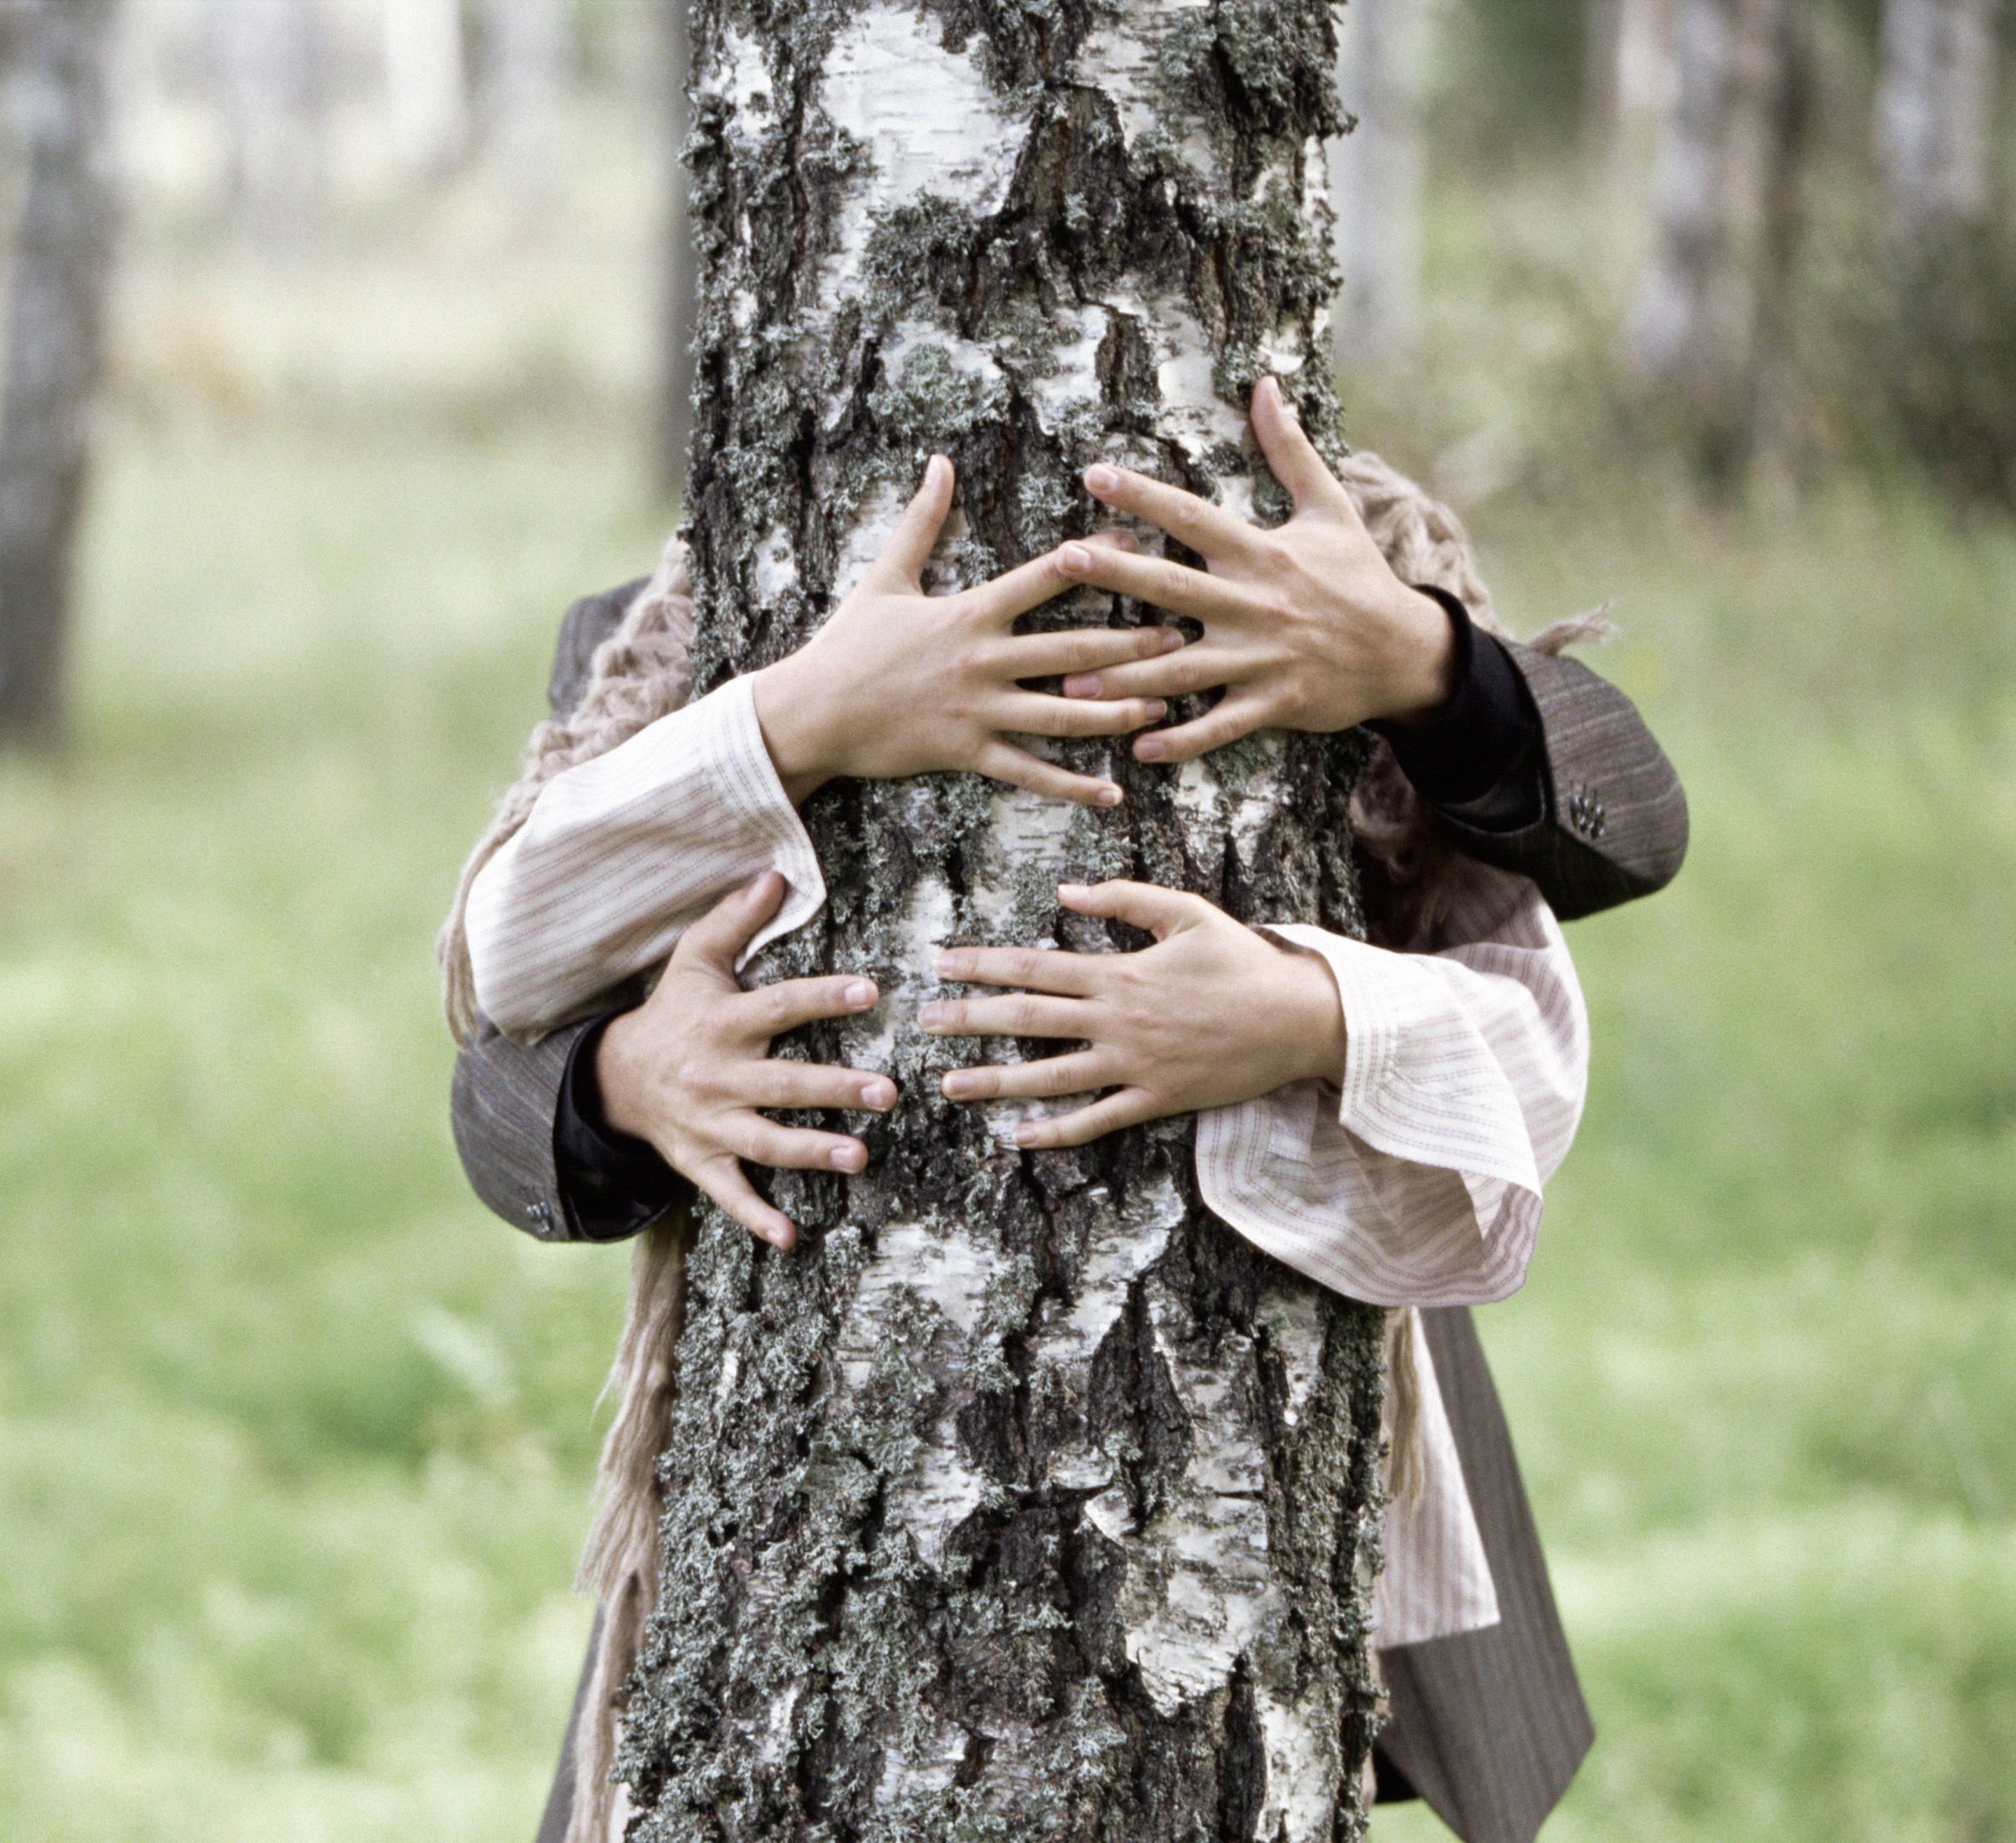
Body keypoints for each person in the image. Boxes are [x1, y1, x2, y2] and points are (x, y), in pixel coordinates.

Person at [443, 381, 1688, 1843]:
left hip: (1254, 1442)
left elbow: (1636, 831)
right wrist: (622, 1079)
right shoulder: (704, 599)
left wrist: (1418, 663)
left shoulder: (1321, 548)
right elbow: (489, 1053)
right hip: (797, 1498)